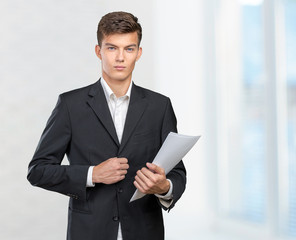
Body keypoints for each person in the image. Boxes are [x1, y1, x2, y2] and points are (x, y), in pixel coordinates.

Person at [27, 11, 186, 240]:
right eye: (112, 48)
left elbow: (177, 172)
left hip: (145, 232)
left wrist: (163, 187)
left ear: (138, 53)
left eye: (129, 49)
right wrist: (93, 174)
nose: (120, 57)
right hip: (89, 232)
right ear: (98, 51)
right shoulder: (71, 105)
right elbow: (38, 170)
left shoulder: (159, 106)